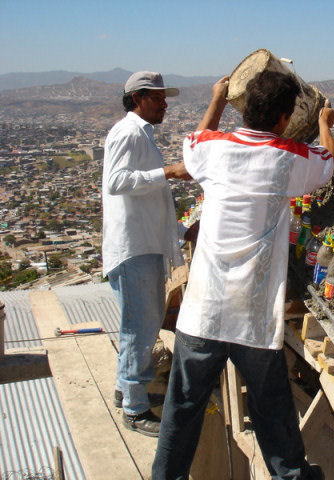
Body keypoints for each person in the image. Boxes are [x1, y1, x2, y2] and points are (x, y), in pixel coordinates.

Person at [152, 70, 334, 480]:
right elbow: (327, 163)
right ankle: (290, 475)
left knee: (182, 408)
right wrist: (324, 124)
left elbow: (196, 145)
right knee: (272, 409)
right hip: (252, 314)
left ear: (245, 108)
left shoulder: (213, 149)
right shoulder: (287, 157)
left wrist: (216, 99)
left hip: (203, 308)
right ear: (284, 118)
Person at [102, 71, 194, 436]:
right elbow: (117, 182)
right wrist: (168, 171)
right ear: (138, 98)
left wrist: (183, 231)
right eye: (157, 97)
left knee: (140, 327)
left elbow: (151, 204)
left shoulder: (141, 135)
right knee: (138, 330)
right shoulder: (127, 133)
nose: (164, 103)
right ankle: (135, 410)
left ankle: (126, 390)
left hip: (145, 244)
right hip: (134, 249)